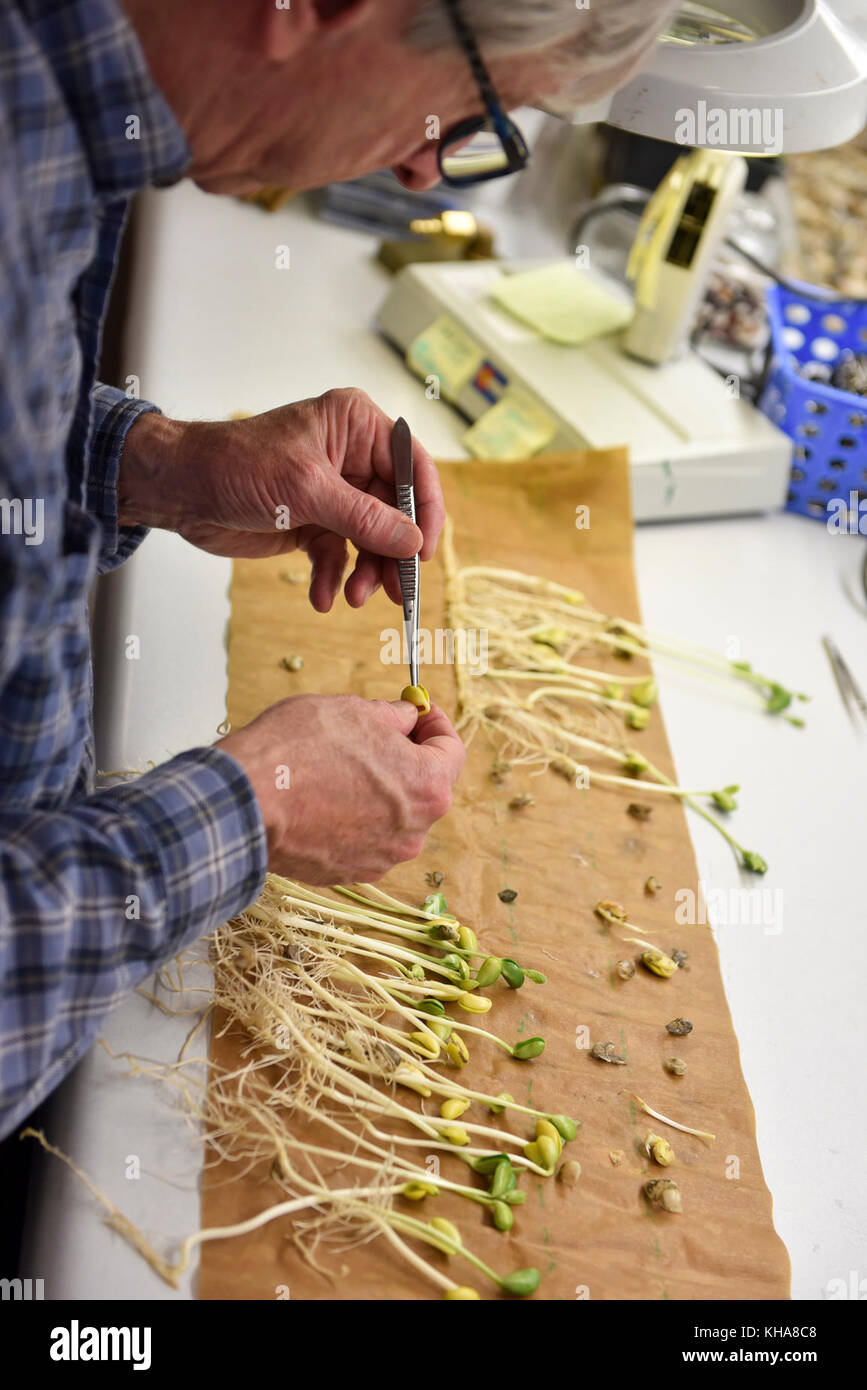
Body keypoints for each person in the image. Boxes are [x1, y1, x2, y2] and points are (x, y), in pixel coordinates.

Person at [0, 0, 673, 1137]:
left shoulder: (58, 121)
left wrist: (157, 463)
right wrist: (251, 807)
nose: (420, 172)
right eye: (468, 112)